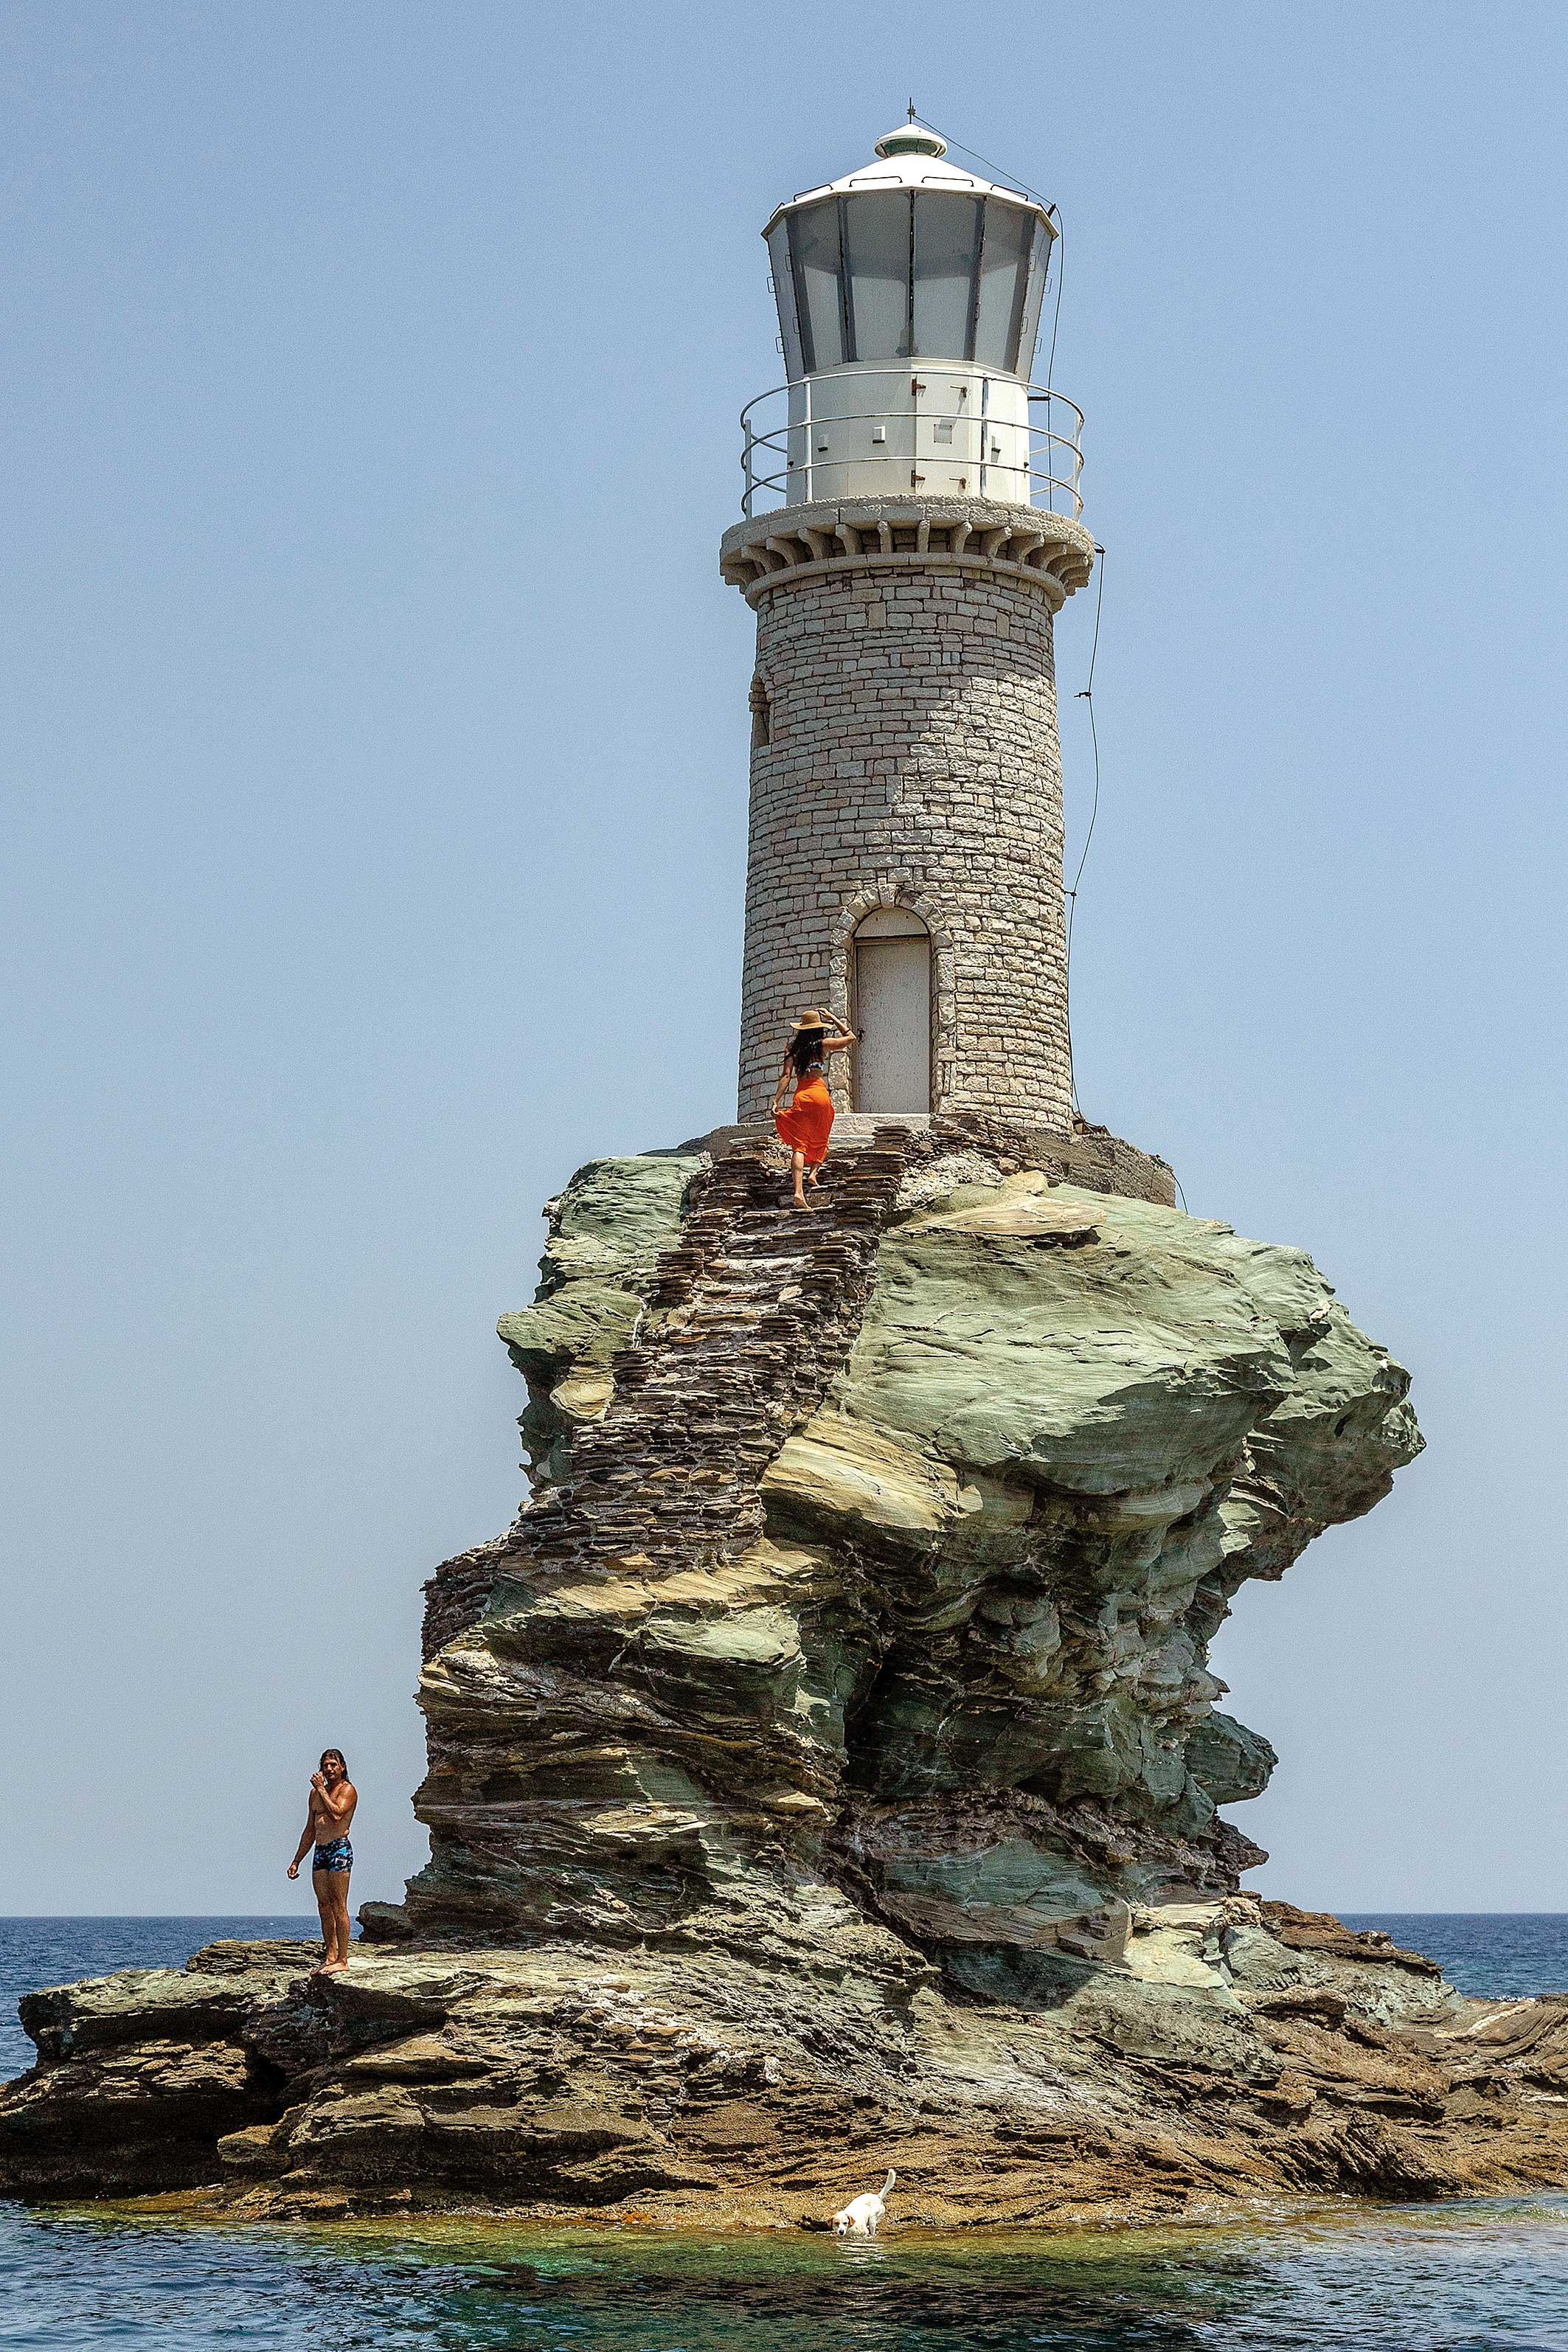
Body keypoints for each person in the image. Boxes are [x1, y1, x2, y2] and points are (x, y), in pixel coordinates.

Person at [770, 1007, 855, 1209]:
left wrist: (776, 1100)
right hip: (819, 1095)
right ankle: (814, 1172)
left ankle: (798, 1192)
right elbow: (850, 1038)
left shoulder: (792, 1049)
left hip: (802, 1096)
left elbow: (786, 1076)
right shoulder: (822, 1045)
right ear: (818, 1028)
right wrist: (833, 1017)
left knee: (800, 1146)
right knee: (823, 1134)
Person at [287, 1747, 358, 1973]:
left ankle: (343, 1959)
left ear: (342, 1767)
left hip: (339, 1849)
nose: (329, 1769)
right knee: (324, 1905)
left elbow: (337, 1814)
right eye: (325, 1765)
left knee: (339, 1904)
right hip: (320, 1851)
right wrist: (297, 1860)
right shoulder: (315, 1795)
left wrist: (321, 1789)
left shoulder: (347, 1790)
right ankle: (330, 1956)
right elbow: (310, 1829)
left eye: (333, 1765)